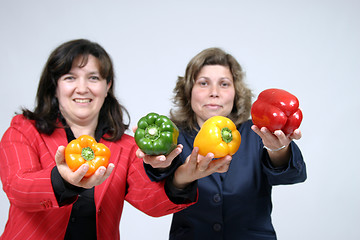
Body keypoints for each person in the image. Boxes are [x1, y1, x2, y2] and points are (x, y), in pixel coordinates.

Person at [0, 40, 231, 240]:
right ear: (55, 85)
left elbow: (151, 202)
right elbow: (18, 188)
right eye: (70, 77)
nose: (82, 88)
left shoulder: (126, 147)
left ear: (107, 86)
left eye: (93, 78)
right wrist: (64, 181)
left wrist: (182, 179)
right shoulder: (24, 129)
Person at [139, 47, 307, 240]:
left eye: (224, 84)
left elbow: (293, 175)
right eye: (203, 83)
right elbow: (163, 189)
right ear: (188, 91)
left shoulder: (257, 132)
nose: (214, 93)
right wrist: (171, 170)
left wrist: (278, 148)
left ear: (236, 92)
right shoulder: (174, 136)